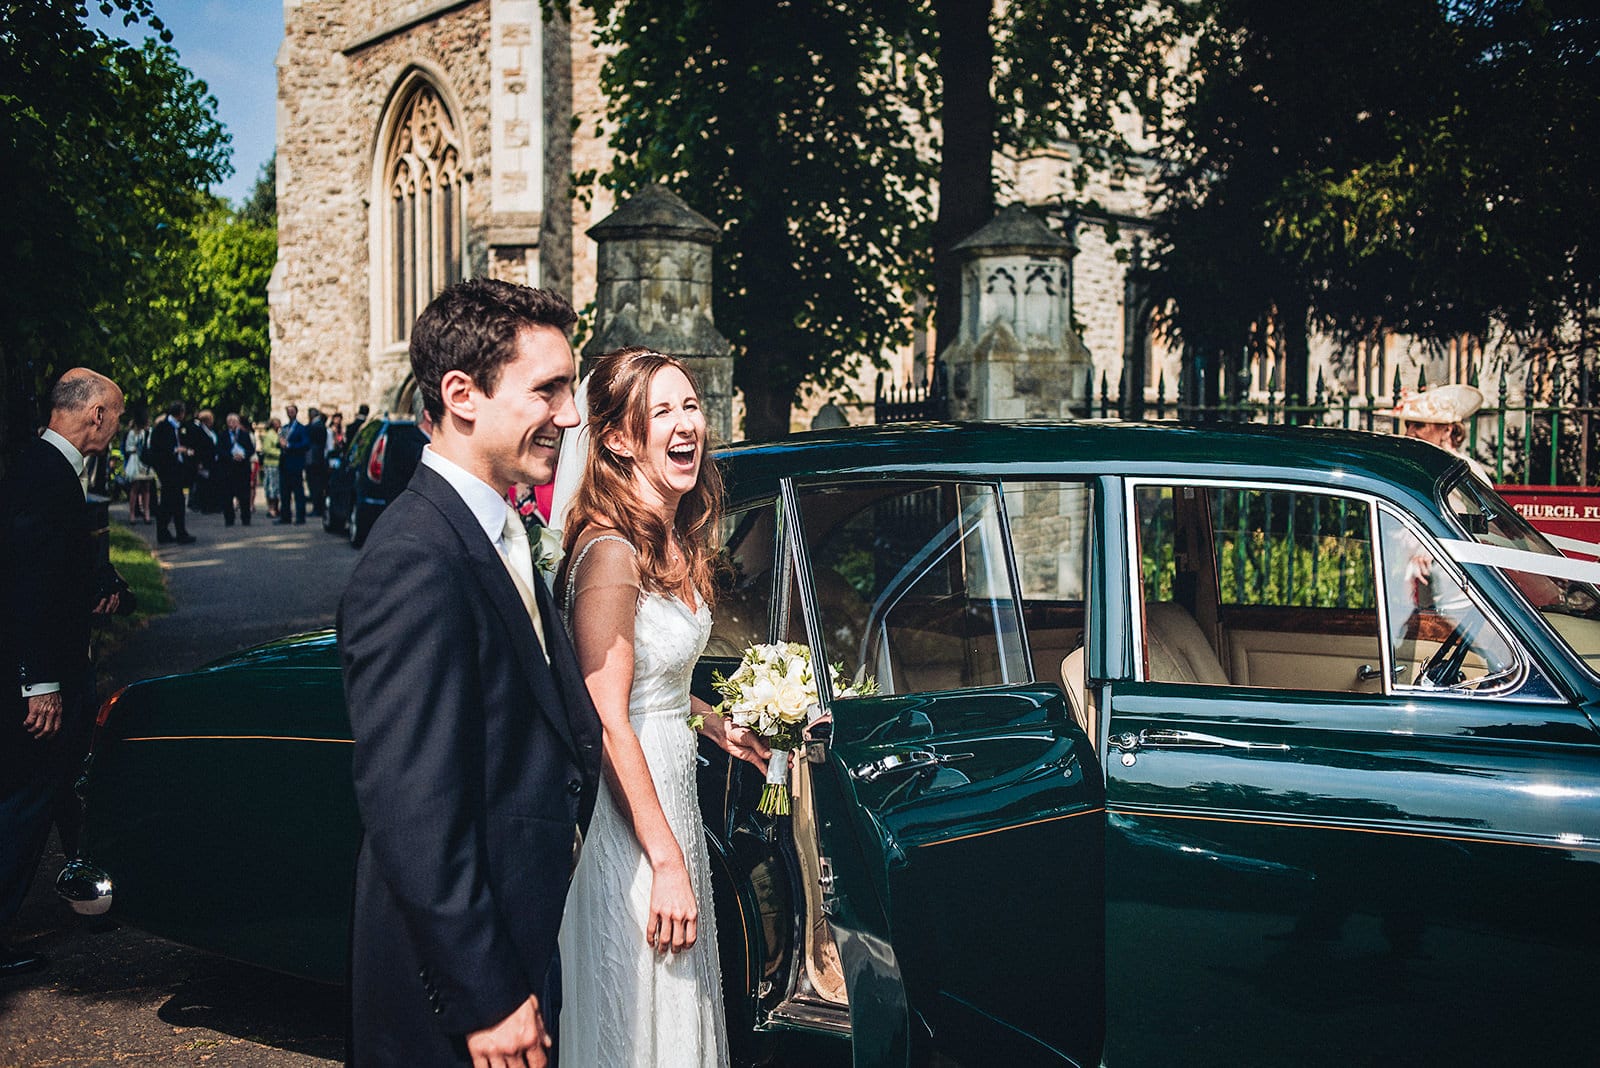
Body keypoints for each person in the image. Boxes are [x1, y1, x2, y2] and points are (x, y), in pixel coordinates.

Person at [338, 278, 602, 1067]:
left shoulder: (497, 527)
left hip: (524, 926)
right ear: (461, 395)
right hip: (455, 986)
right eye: (548, 390)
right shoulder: (415, 560)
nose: (571, 414)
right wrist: (484, 993)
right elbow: (411, 805)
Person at [553, 347, 770, 1067]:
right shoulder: (611, 551)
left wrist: (714, 721)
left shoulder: (669, 537)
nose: (688, 425)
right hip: (632, 826)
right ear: (616, 438)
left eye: (693, 406)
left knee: (678, 1006)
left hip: (667, 793)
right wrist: (667, 860)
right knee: (641, 1013)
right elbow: (606, 712)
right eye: (664, 411)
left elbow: (652, 685)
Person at [1, 369, 128, 976]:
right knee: (31, 799)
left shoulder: (54, 474)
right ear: (96, 415)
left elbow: (55, 574)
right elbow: (24, 587)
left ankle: (92, 900)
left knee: (73, 786)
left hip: (62, 670)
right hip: (44, 679)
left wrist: (100, 586)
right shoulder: (41, 475)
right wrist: (41, 684)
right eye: (118, 416)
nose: (118, 427)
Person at [1390, 383, 1493, 483]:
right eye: (1408, 425)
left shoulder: (1465, 471)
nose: (1409, 433)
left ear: (1447, 431)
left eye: (1419, 425)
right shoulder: (1415, 465)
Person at [147, 401, 197, 544]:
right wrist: (176, 450)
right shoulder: (163, 427)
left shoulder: (179, 428)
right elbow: (159, 449)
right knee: (175, 502)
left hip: (177, 469)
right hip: (167, 469)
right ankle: (178, 533)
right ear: (180, 413)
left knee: (170, 503)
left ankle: (166, 532)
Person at [218, 413, 255, 526]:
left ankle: (246, 518)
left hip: (242, 469)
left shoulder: (244, 435)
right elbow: (219, 450)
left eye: (234, 421)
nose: (232, 424)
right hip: (228, 470)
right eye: (230, 421)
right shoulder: (223, 435)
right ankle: (229, 519)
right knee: (227, 496)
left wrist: (243, 456)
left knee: (244, 496)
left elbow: (251, 449)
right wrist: (230, 456)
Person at [122, 407, 155, 524]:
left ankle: (147, 513)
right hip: (136, 460)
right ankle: (132, 514)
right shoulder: (133, 433)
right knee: (135, 488)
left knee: (146, 488)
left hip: (145, 461)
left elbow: (150, 445)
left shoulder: (149, 432)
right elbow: (127, 448)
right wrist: (136, 448)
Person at [278, 404, 309, 525]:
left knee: (298, 492)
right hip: (284, 464)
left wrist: (290, 446)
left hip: (296, 464)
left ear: (296, 412)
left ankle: (300, 517)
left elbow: (306, 444)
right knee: (284, 492)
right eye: (288, 411)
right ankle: (285, 516)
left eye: (292, 411)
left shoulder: (301, 428)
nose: (290, 413)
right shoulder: (285, 428)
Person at [188, 408, 220, 514]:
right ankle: (204, 505)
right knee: (203, 483)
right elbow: (199, 447)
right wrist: (199, 462)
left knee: (211, 483)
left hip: (213, 461)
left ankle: (212, 505)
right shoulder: (199, 431)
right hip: (204, 461)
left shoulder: (211, 431)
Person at [306, 407, 329, 518]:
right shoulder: (319, 425)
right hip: (317, 459)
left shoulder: (316, 426)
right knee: (317, 485)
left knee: (315, 485)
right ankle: (318, 507)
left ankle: (317, 508)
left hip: (315, 460)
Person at [259, 417, 282, 519]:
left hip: (278, 465)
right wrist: (280, 453)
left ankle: (276, 508)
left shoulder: (277, 434)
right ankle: (271, 508)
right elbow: (267, 449)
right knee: (271, 487)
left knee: (277, 488)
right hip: (271, 465)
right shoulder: (270, 435)